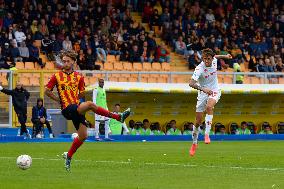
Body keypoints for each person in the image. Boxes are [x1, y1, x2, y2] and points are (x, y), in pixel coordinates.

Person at [45, 50, 130, 171]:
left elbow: (82, 93)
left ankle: (68, 156)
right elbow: (47, 91)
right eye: (63, 61)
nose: (65, 63)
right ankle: (118, 117)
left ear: (73, 61)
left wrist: (77, 99)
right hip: (66, 109)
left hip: (76, 108)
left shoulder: (79, 77)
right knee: (90, 104)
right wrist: (59, 100)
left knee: (83, 136)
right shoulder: (57, 76)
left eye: (67, 61)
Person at [188, 48, 232, 156]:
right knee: (198, 122)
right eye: (204, 59)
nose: (206, 61)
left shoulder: (214, 60)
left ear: (212, 59)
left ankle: (207, 135)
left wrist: (225, 56)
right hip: (203, 93)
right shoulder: (199, 68)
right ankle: (194, 143)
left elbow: (216, 56)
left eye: (208, 59)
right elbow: (191, 83)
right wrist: (203, 89)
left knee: (209, 107)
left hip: (214, 90)